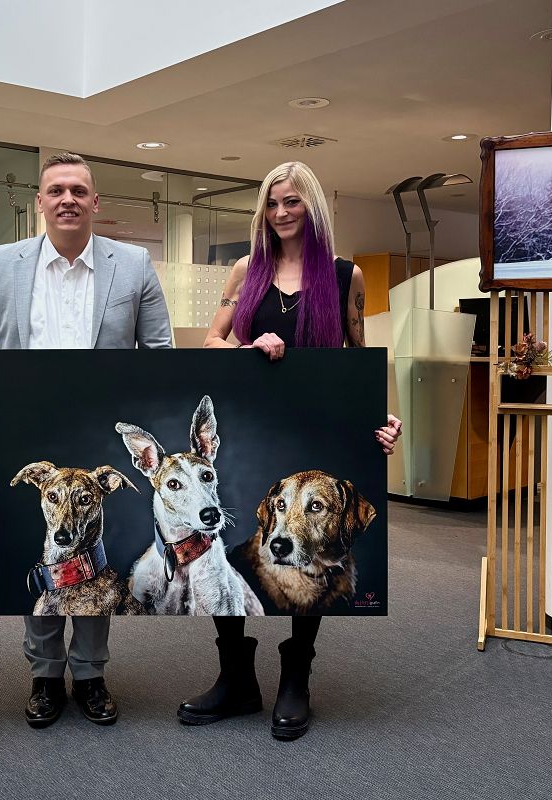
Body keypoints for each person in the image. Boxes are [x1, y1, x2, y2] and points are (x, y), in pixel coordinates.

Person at [180, 160, 402, 740]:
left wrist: (382, 418)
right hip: (255, 425)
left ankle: (295, 679)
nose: (281, 213)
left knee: (314, 553)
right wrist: (251, 344)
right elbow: (210, 342)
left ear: (313, 208)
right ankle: (236, 678)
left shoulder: (345, 276)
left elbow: (359, 360)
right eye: (273, 203)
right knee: (234, 558)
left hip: (320, 432)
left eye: (293, 202)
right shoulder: (243, 272)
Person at [0, 152, 172, 729]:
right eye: (56, 190)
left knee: (93, 557)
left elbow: (161, 354)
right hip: (28, 423)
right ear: (40, 202)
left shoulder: (134, 264)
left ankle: (92, 675)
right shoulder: (2, 263)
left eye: (79, 190)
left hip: (100, 427)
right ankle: (45, 676)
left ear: (95, 203)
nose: (67, 199)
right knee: (46, 552)